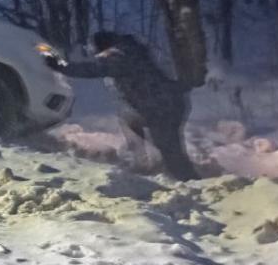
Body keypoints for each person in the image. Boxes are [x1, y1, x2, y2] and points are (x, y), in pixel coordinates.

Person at [50, 31, 197, 181]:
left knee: (168, 146)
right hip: (165, 103)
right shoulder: (129, 50)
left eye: (96, 52)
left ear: (104, 48)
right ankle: (143, 162)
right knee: (128, 120)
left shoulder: (120, 56)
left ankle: (189, 181)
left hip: (162, 107)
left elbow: (90, 69)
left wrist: (59, 64)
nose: (97, 57)